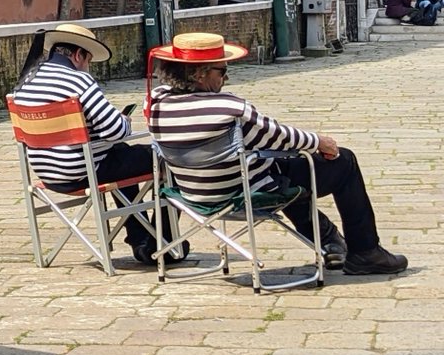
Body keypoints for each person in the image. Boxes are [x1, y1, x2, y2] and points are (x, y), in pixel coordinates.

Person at [146, 32, 408, 276]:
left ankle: (330, 241)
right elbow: (278, 136)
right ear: (199, 74)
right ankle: (365, 251)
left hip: (192, 193)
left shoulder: (155, 101)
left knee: (284, 169)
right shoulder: (228, 106)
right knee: (342, 160)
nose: (226, 78)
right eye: (222, 71)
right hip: (240, 192)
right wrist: (320, 141)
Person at [13, 22, 176, 266]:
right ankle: (164, 240)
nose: (88, 68)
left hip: (48, 172)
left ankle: (141, 237)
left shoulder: (25, 84)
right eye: (88, 60)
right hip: (82, 170)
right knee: (169, 159)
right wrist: (125, 121)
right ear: (79, 55)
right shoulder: (79, 81)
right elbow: (115, 130)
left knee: (121, 154)